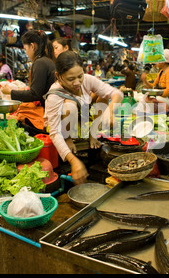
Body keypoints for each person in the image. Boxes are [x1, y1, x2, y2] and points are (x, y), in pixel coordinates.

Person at [44, 51, 123, 185]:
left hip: (84, 119)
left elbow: (116, 93)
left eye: (79, 76)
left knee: (103, 96)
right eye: (70, 79)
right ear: (58, 76)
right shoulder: (54, 95)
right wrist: (74, 161)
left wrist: (110, 110)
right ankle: (68, 138)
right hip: (63, 126)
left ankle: (93, 134)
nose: (77, 82)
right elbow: (54, 133)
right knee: (70, 107)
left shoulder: (87, 80)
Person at [1, 30, 55, 131]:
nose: (26, 53)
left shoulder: (40, 62)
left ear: (32, 46)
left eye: (26, 49)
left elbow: (34, 94)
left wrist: (10, 92)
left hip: (47, 113)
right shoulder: (47, 60)